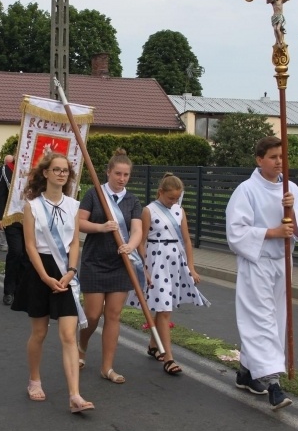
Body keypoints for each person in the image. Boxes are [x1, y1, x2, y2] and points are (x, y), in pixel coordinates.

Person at [226, 136, 298, 411]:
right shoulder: (246, 191)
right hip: (257, 264)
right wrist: (273, 232)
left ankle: (246, 371)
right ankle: (274, 385)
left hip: (282, 264)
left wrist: (291, 212)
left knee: (276, 320)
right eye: (273, 157)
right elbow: (236, 232)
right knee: (262, 321)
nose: (280, 161)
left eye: (282, 156)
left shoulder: (291, 190)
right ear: (259, 160)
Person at [13, 152, 93, 413]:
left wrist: (71, 271)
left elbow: (73, 243)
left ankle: (75, 396)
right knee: (40, 332)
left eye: (65, 170)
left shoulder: (73, 205)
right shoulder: (32, 206)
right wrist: (46, 277)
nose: (61, 174)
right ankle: (34, 380)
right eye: (56, 169)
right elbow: (30, 245)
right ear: (45, 173)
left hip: (65, 273)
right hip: (41, 272)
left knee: (69, 335)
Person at [127, 173, 210, 375]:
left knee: (165, 307)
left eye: (176, 198)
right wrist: (145, 266)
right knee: (163, 309)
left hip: (175, 262)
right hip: (157, 262)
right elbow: (142, 239)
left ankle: (154, 346)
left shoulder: (179, 211)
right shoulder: (149, 210)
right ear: (160, 193)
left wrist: (191, 267)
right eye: (170, 198)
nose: (173, 201)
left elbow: (187, 241)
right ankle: (169, 357)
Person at [77, 149, 143, 384]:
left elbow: (137, 230)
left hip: (120, 264)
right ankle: (82, 343)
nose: (122, 179)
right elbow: (80, 222)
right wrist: (101, 227)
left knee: (113, 315)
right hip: (94, 262)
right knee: (93, 315)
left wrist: (130, 246)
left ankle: (107, 367)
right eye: (118, 174)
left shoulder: (132, 200)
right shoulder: (94, 194)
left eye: (126, 175)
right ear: (108, 172)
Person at [0, 154, 22, 305]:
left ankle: (21, 290)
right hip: (11, 218)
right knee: (16, 252)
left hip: (31, 220)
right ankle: (9, 291)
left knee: (27, 256)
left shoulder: (35, 169)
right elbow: (0, 194)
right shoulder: (7, 170)